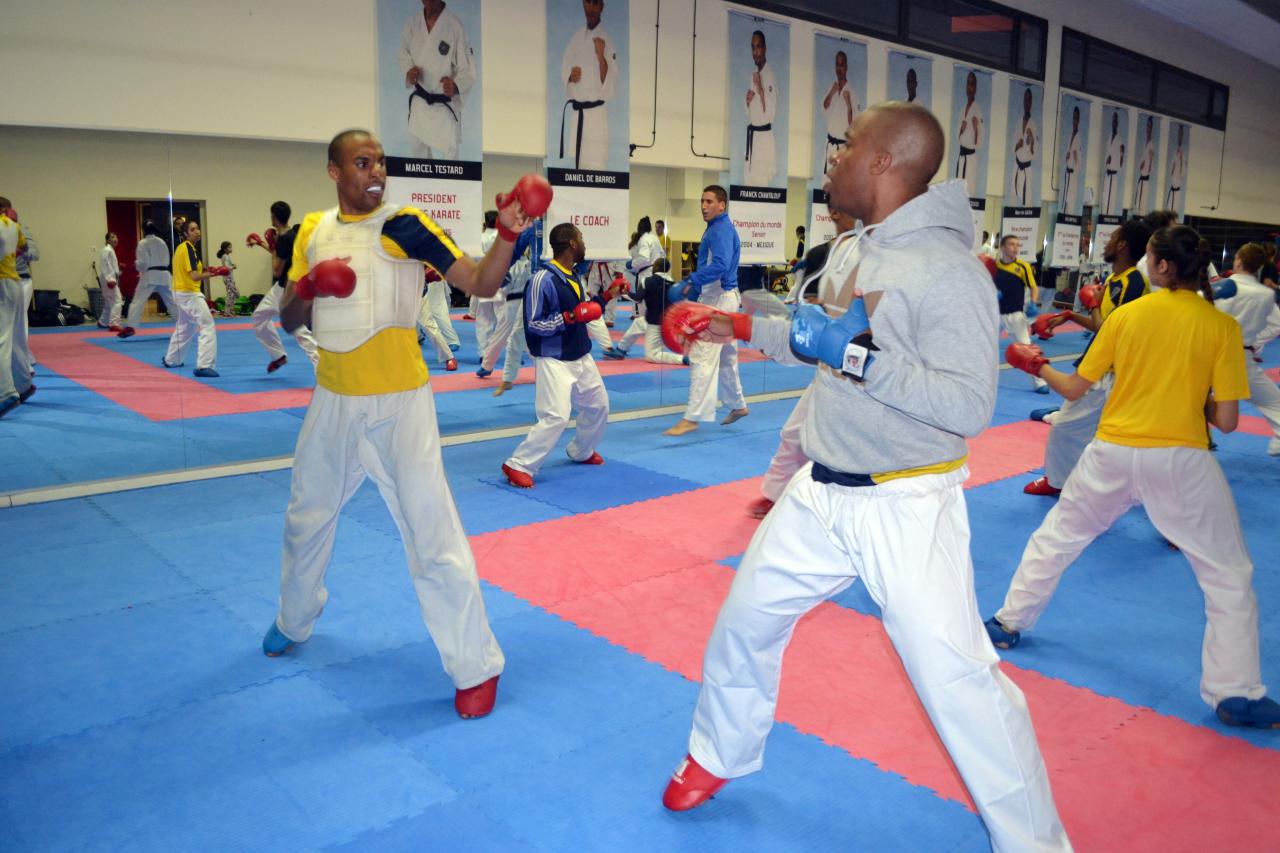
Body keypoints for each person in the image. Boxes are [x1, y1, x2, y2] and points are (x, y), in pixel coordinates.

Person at [657, 103, 1071, 850]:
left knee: (962, 687)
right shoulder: (856, 250)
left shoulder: (950, 273)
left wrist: (859, 358)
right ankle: (721, 750)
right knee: (744, 623)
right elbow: (821, 335)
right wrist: (740, 327)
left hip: (908, 502)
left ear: (883, 162)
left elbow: (969, 403)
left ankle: (1039, 842)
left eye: (847, 145)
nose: (832, 158)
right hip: (821, 491)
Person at [263, 129, 541, 720]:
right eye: (363, 163)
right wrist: (309, 285)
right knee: (304, 517)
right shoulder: (310, 231)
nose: (377, 172)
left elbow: (480, 283)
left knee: (430, 530)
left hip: (400, 404)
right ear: (334, 170)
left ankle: (475, 665)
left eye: (381, 162)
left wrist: (510, 233)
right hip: (333, 399)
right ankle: (294, 616)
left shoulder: (406, 224)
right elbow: (289, 319)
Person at [990, 224, 1280, 731]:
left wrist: (1034, 365)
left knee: (1059, 536)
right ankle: (1236, 692)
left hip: (1112, 452)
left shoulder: (1126, 315)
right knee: (1227, 574)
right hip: (1181, 460)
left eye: (1150, 256)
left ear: (1164, 267)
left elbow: (1076, 388)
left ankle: (1007, 621)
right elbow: (1229, 421)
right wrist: (1191, 395)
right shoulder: (1220, 328)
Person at [1023, 217, 1152, 495]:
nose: (1106, 242)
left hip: (1112, 370)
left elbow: (1111, 328)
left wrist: (1092, 302)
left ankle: (1058, 482)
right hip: (1107, 366)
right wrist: (1070, 315)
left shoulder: (1132, 282)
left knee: (1067, 426)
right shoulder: (1115, 280)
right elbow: (1098, 324)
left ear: (1123, 245)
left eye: (1112, 236)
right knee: (1105, 433)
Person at [749, 209, 858, 520]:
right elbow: (813, 306)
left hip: (867, 375)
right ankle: (774, 494)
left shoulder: (879, 258)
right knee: (794, 432)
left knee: (847, 452)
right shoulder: (826, 254)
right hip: (829, 367)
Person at [501, 223, 624, 488]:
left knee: (599, 406)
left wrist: (607, 295)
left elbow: (585, 310)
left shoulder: (573, 276)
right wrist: (568, 318)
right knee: (556, 416)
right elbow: (534, 324)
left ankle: (581, 450)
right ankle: (518, 464)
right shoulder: (541, 279)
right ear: (571, 243)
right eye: (581, 238)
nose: (584, 243)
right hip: (553, 359)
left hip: (581, 355)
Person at [664, 185, 748, 436]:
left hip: (719, 299)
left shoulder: (720, 230)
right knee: (726, 357)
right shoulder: (718, 228)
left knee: (702, 354)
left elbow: (721, 265)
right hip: (723, 297)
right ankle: (738, 404)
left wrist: (692, 281)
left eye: (709, 201)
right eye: (702, 201)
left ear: (722, 204)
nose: (703, 206)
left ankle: (693, 416)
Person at [1213, 243, 1280, 455]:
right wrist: (1255, 343)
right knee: (1272, 400)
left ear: (1239, 261)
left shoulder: (1219, 287)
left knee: (1194, 401)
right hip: (1242, 355)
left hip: (1212, 354)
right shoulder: (1266, 294)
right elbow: (1277, 325)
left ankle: (1194, 440)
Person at [398, 0, 475, 161]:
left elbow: (467, 69)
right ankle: (422, 185)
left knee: (451, 159)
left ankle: (452, 186)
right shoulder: (413, 24)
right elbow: (403, 54)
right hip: (420, 99)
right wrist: (409, 71)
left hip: (443, 104)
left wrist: (454, 85)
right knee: (418, 157)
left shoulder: (454, 26)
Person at [250, 201, 320, 373]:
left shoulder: (283, 240)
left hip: (286, 290)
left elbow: (276, 269)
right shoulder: (293, 235)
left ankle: (322, 368)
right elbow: (284, 257)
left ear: (273, 217)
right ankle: (278, 356)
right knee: (259, 317)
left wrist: (273, 246)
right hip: (284, 287)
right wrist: (263, 244)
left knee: (299, 330)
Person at [559, 0, 616, 170]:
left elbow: (611, 83)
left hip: (596, 118)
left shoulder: (607, 41)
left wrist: (601, 58)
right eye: (587, 3)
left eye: (595, 3)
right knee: (578, 170)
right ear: (583, 4)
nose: (590, 8)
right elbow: (564, 68)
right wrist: (570, 77)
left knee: (596, 168)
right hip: (579, 116)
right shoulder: (576, 38)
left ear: (602, 7)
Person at [477, 226, 537, 384]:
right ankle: (487, 364)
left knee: (528, 334)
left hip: (527, 298)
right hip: (512, 299)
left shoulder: (531, 262)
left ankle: (487, 364)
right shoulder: (510, 260)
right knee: (505, 332)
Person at [163, 219, 222, 377]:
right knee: (207, 324)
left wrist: (210, 270)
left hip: (179, 291)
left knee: (185, 327)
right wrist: (215, 273)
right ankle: (204, 365)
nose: (197, 232)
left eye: (197, 228)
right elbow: (195, 276)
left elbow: (195, 271)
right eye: (192, 229)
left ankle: (172, 359)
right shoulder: (188, 248)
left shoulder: (183, 249)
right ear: (185, 233)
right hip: (189, 293)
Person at [994, 235, 1049, 393]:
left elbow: (1033, 287)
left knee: (1027, 349)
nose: (1016, 247)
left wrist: (1033, 302)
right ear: (1003, 247)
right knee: (984, 347)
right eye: (1012, 244)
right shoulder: (993, 266)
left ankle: (1039, 382)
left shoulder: (1023, 266)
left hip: (1016, 315)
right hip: (995, 315)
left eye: (1018, 245)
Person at [613, 257, 686, 365]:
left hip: (656, 324)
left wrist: (624, 293)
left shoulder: (647, 281)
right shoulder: (673, 284)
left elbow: (637, 299)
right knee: (638, 323)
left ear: (655, 267)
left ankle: (682, 359)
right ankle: (621, 349)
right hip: (667, 323)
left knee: (652, 356)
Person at [0, 208, 33, 417]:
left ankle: (6, 394)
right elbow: (25, 248)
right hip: (14, 281)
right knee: (17, 337)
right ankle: (23, 384)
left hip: (3, 282)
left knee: (2, 338)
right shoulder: (14, 226)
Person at [118, 221, 177, 338]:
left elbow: (143, 263)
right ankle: (184, 326)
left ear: (143, 230)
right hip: (165, 275)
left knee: (137, 302)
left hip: (150, 276)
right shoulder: (162, 242)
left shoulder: (143, 243)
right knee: (172, 302)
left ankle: (130, 326)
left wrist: (135, 265)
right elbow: (168, 260)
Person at [4, 203, 37, 382]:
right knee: (10, 327)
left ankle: (23, 366)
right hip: (5, 281)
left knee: (17, 324)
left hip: (20, 280)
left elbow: (34, 254)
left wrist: (17, 252)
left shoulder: (19, 229)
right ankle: (25, 361)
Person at [743, 30, 778, 185]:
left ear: (764, 48)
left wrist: (760, 88)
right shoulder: (755, 75)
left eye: (758, 47)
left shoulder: (769, 75)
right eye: (752, 47)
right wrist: (748, 101)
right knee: (749, 183)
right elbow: (750, 113)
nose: (755, 52)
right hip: (754, 138)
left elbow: (770, 113)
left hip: (763, 139)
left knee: (761, 185)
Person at [472, 211, 503, 367]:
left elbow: (474, 259)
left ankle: (483, 354)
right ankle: (512, 350)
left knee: (484, 319)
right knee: (505, 319)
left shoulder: (480, 238)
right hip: (500, 281)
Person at [821, 50, 857, 174]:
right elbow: (824, 108)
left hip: (842, 147)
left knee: (839, 184)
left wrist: (849, 106)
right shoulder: (832, 87)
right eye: (837, 64)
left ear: (846, 67)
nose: (839, 68)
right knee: (826, 184)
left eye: (842, 65)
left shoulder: (851, 91)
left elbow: (853, 125)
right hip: (830, 144)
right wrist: (832, 92)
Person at [955, 71, 983, 198]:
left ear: (976, 88)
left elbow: (980, 142)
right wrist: (962, 128)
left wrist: (976, 128)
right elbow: (957, 137)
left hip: (970, 159)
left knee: (969, 194)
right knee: (958, 193)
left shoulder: (978, 110)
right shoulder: (962, 109)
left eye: (972, 84)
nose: (969, 87)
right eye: (968, 83)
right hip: (961, 157)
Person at [1011, 87, 1037, 206]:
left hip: (1027, 170)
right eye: (1025, 100)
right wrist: (1017, 145)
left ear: (1031, 103)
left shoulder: (1034, 125)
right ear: (1023, 102)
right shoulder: (1017, 122)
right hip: (1016, 167)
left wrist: (1031, 141)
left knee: (1027, 203)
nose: (1027, 103)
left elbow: (1035, 152)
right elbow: (1013, 148)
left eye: (1029, 100)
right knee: (1013, 199)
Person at [98, 232, 123, 330]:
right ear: (107, 240)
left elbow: (111, 268)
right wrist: (110, 279)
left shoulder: (110, 250)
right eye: (112, 237)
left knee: (109, 302)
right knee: (117, 300)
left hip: (108, 278)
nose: (115, 238)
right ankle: (114, 323)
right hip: (108, 279)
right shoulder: (107, 250)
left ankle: (103, 322)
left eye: (116, 236)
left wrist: (119, 270)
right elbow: (104, 264)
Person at [1102, 111, 1125, 216]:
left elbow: (1121, 161)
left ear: (1118, 123)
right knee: (1104, 199)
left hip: (1113, 175)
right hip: (1107, 174)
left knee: (1111, 202)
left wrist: (1121, 155)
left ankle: (1108, 219)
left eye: (1116, 121)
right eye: (1113, 121)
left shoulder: (1119, 140)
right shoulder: (1109, 137)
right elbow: (1107, 155)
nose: (1114, 123)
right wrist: (1107, 159)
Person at [1133, 116, 1156, 212]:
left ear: (1151, 129)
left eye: (1150, 127)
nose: (1148, 129)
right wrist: (1141, 164)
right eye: (1147, 126)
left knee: (1142, 206)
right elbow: (1140, 165)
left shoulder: (1151, 145)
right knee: (1137, 203)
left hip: (1146, 180)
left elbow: (1151, 168)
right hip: (1141, 178)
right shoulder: (1144, 144)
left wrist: (1150, 161)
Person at [1061, 107, 1081, 212]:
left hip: (1073, 177)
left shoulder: (1078, 138)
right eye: (1074, 118)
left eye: (1077, 119)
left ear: (1079, 121)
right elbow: (1068, 159)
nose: (1075, 121)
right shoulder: (1070, 135)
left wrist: (1076, 158)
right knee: (1064, 204)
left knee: (1070, 205)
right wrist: (1067, 158)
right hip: (1067, 175)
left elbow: (1078, 164)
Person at [1165, 124, 1185, 210]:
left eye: (1181, 134)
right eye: (1179, 134)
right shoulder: (1174, 152)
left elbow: (1182, 173)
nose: (1180, 137)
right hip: (1172, 187)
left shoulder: (1184, 154)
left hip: (1177, 190)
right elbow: (1171, 171)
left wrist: (1180, 160)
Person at [216, 241, 239, 316]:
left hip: (229, 278)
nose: (231, 248)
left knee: (233, 294)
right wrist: (233, 267)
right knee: (232, 294)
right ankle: (228, 311)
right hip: (228, 279)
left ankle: (230, 310)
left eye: (231, 247)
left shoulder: (226, 256)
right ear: (225, 249)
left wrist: (231, 264)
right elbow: (226, 267)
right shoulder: (225, 256)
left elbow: (227, 265)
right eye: (229, 247)